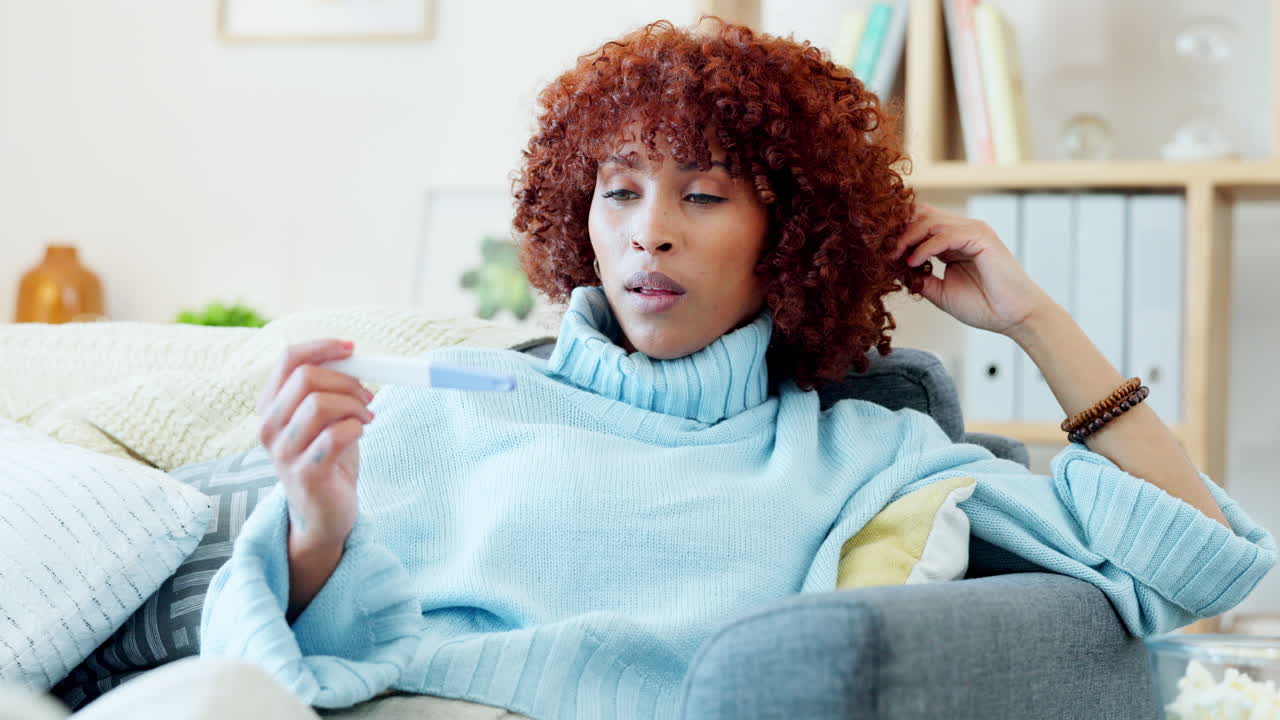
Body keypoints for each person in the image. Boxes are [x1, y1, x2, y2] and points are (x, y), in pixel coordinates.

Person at [53, 14, 1272, 720]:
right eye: (619, 192)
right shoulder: (465, 396)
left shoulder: (865, 452)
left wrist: (1034, 320)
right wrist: (317, 521)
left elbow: (1188, 565)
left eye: (702, 193)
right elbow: (297, 647)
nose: (649, 231)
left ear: (787, 230)